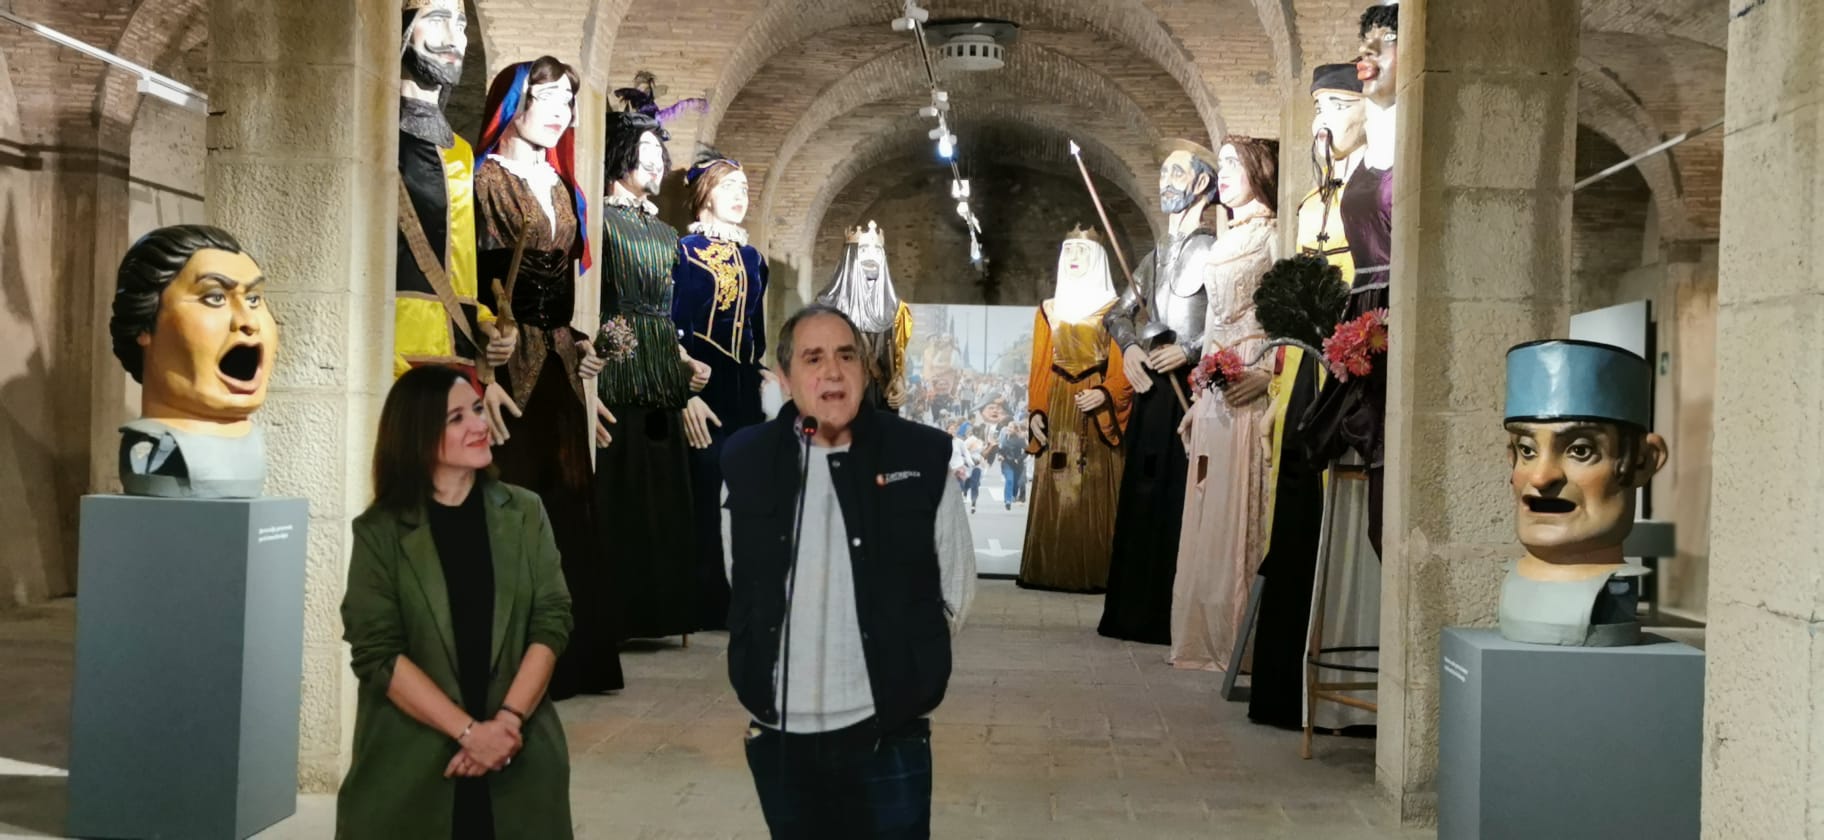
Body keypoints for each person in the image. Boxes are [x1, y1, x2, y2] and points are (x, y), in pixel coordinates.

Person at [722, 303, 975, 839]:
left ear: (865, 369)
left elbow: (955, 587)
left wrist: (903, 661)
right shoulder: (746, 462)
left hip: (888, 732)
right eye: (813, 358)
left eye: (846, 356)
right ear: (786, 377)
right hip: (780, 735)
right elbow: (740, 581)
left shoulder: (920, 456)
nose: (833, 372)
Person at [337, 365, 573, 840]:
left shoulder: (525, 512)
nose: (480, 425)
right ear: (418, 436)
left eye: (478, 410)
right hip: (414, 765)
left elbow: (552, 620)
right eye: (457, 418)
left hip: (519, 758)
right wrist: (470, 734)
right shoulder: (379, 532)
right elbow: (378, 653)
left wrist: (505, 724)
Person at [473, 56, 622, 699]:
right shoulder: (484, 180)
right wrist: (483, 356)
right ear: (514, 103)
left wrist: (582, 343)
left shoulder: (563, 188)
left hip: (559, 365)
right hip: (506, 361)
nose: (561, 110)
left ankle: (572, 661)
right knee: (513, 500)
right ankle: (506, 663)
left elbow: (560, 288)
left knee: (566, 502)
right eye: (548, 96)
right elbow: (474, 276)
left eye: (568, 100)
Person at [1169, 135, 1280, 672]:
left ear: (1261, 169)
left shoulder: (1274, 235)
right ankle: (1204, 635)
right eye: (1224, 164)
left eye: (1236, 162)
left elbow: (1287, 316)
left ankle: (1241, 640)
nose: (1227, 173)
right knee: (1209, 504)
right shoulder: (1221, 244)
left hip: (1251, 379)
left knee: (1241, 503)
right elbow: (1214, 322)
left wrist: (1268, 374)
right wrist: (1196, 397)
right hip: (1216, 384)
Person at [672, 149, 770, 631]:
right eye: (730, 188)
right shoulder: (683, 252)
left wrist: (764, 371)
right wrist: (681, 391)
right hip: (700, 381)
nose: (740, 197)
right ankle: (706, 598)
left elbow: (756, 330)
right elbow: (671, 322)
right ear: (705, 194)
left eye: (745, 190)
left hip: (743, 388)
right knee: (705, 489)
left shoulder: (754, 259)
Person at [1017, 227, 1132, 592]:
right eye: (1069, 250)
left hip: (1095, 405)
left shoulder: (1115, 309)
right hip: (1059, 402)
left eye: (1082, 250)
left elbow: (1123, 363)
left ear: (1096, 257)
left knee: (1093, 478)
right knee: (1057, 477)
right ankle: (1049, 569)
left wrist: (1107, 393)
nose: (1074, 257)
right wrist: (1037, 410)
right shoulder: (1049, 310)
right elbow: (1039, 366)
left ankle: (1096, 571)